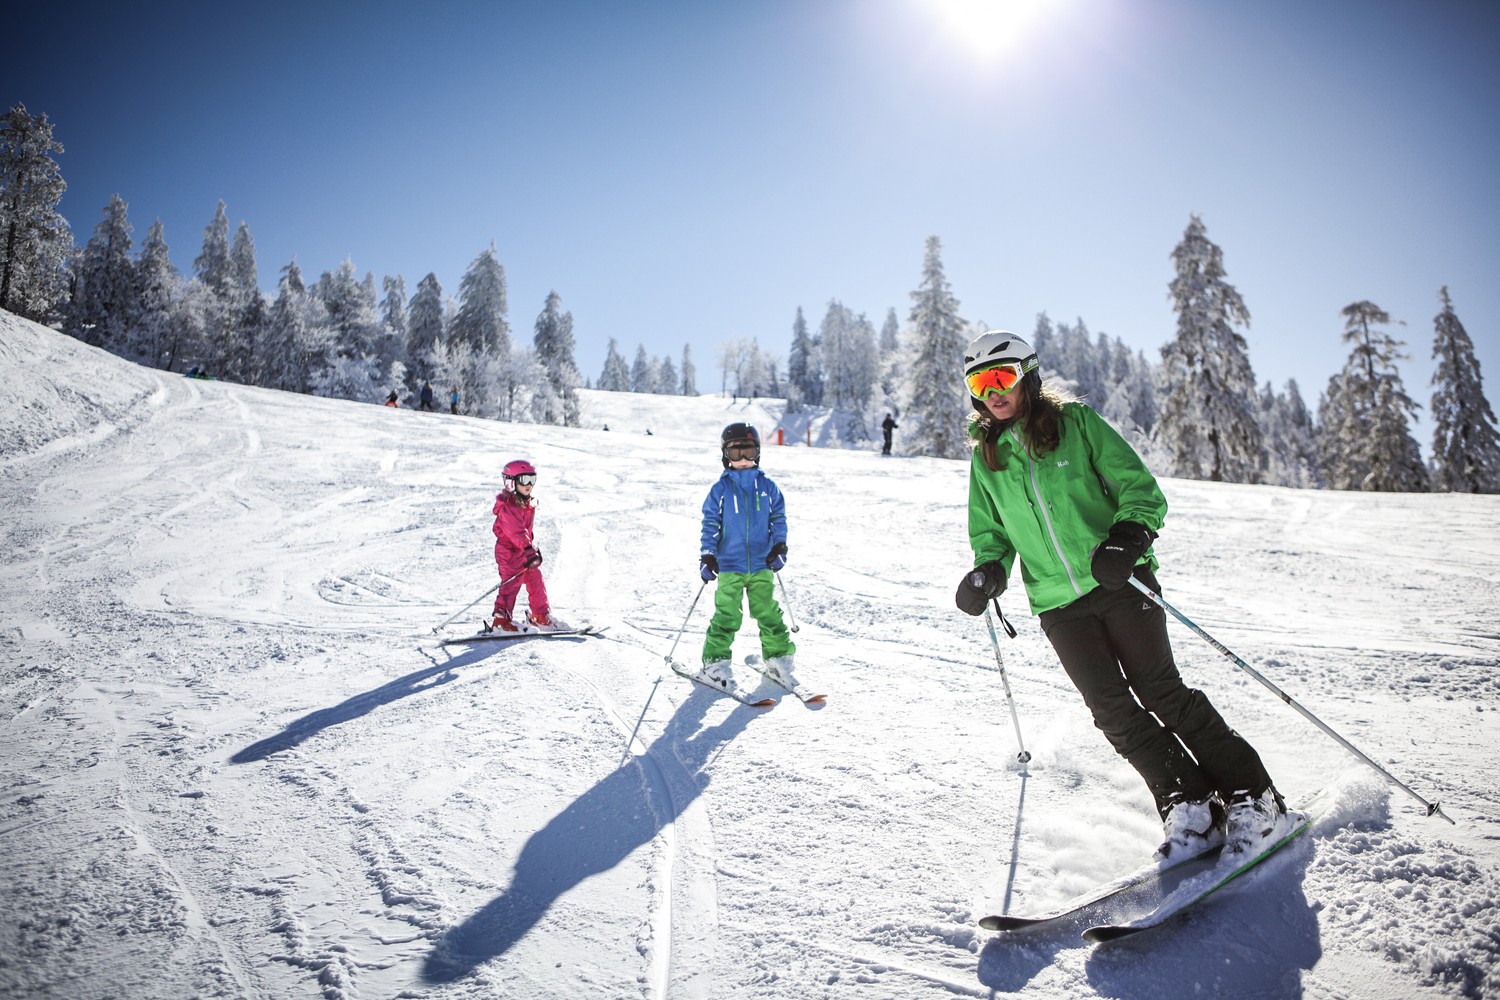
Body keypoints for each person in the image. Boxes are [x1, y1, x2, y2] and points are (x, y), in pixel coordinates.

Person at [953, 330, 1294, 864]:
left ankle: (1255, 796)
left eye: (1002, 376)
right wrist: (988, 571)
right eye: (980, 381)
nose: (993, 391)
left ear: (1029, 376)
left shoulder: (1076, 426)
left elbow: (1139, 488)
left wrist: (1127, 537)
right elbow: (991, 532)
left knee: (1162, 693)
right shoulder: (987, 457)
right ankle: (1190, 803)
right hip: (1057, 602)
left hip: (1120, 581)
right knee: (1112, 711)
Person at [696, 423, 796, 690]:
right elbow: (710, 523)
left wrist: (779, 546)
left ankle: (778, 658)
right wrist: (708, 554)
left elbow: (778, 518)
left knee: (768, 613)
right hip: (729, 565)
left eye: (748, 452)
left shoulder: (768, 486)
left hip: (762, 564)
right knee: (727, 615)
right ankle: (714, 662)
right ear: (725, 456)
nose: (742, 460)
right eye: (735, 453)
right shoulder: (721, 489)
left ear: (758, 454)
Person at [488, 459, 560, 632]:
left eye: (532, 480)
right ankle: (501, 621)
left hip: (522, 550)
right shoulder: (508, 507)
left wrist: (531, 550)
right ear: (511, 483)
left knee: (535, 580)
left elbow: (525, 532)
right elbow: (517, 532)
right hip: (508, 551)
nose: (528, 485)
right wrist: (528, 550)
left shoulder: (526, 503)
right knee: (511, 584)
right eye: (524, 480)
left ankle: (540, 615)